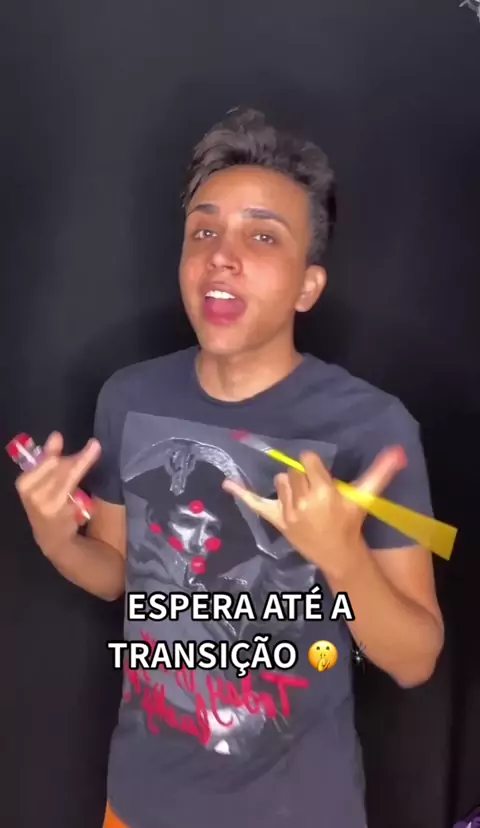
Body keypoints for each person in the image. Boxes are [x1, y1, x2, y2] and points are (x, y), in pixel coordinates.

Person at [15, 107, 444, 828]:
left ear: (308, 286)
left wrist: (344, 559)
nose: (222, 255)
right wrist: (58, 540)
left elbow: (415, 659)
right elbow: (119, 573)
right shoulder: (129, 397)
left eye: (262, 236)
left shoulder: (372, 426)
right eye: (204, 232)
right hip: (138, 805)